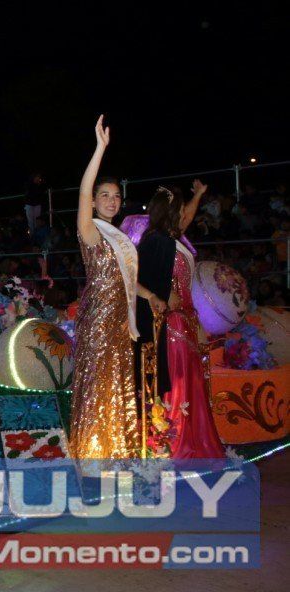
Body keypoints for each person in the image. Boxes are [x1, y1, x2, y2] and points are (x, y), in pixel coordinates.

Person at [69, 116, 164, 459]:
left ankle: (116, 448)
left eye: (116, 196)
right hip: (97, 321)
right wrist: (100, 149)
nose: (111, 201)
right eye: (104, 196)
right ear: (94, 202)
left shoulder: (120, 238)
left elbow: (125, 280)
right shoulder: (91, 231)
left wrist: (150, 295)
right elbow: (82, 192)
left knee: (116, 383)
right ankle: (92, 453)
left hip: (121, 323)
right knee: (97, 384)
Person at [136, 180, 224, 459]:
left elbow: (184, 222)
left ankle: (191, 438)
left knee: (190, 379)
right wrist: (164, 292)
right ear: (170, 211)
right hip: (171, 322)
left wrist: (198, 195)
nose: (184, 214)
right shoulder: (155, 241)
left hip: (185, 318)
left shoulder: (170, 238)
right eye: (180, 208)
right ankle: (174, 443)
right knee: (178, 380)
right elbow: (142, 278)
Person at [25, 172, 46, 237]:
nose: (38, 178)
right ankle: (32, 236)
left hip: (37, 204)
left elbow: (42, 192)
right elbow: (28, 193)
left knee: (37, 221)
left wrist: (40, 185)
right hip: (29, 204)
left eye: (39, 177)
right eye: (37, 177)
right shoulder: (29, 184)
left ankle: (37, 235)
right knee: (30, 222)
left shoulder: (41, 184)